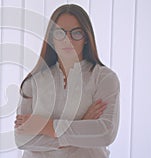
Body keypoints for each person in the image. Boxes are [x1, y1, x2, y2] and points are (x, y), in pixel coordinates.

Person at [14, 4, 120, 158]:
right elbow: (22, 139)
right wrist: (82, 126)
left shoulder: (104, 78)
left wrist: (45, 125)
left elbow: (105, 133)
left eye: (76, 33)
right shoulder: (33, 82)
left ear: (85, 37)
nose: (68, 39)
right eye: (60, 33)